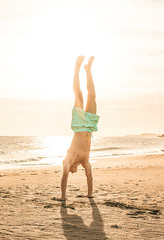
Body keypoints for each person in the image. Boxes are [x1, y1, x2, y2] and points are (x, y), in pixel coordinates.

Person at [56, 56, 99, 201]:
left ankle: (77, 68)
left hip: (80, 123)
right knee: (92, 96)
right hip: (89, 127)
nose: (73, 172)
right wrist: (90, 193)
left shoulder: (68, 158)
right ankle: (88, 69)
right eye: (74, 171)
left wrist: (63, 197)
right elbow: (89, 176)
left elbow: (64, 176)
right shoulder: (84, 161)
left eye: (71, 171)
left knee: (79, 94)